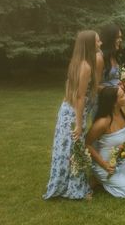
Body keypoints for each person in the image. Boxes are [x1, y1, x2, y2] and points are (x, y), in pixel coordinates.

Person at [43, 30, 100, 200]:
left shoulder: (77, 62)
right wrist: (78, 123)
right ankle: (76, 189)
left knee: (67, 150)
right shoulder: (86, 66)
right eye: (97, 41)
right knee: (75, 151)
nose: (100, 43)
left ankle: (65, 185)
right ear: (89, 44)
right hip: (74, 113)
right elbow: (80, 96)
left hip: (67, 110)